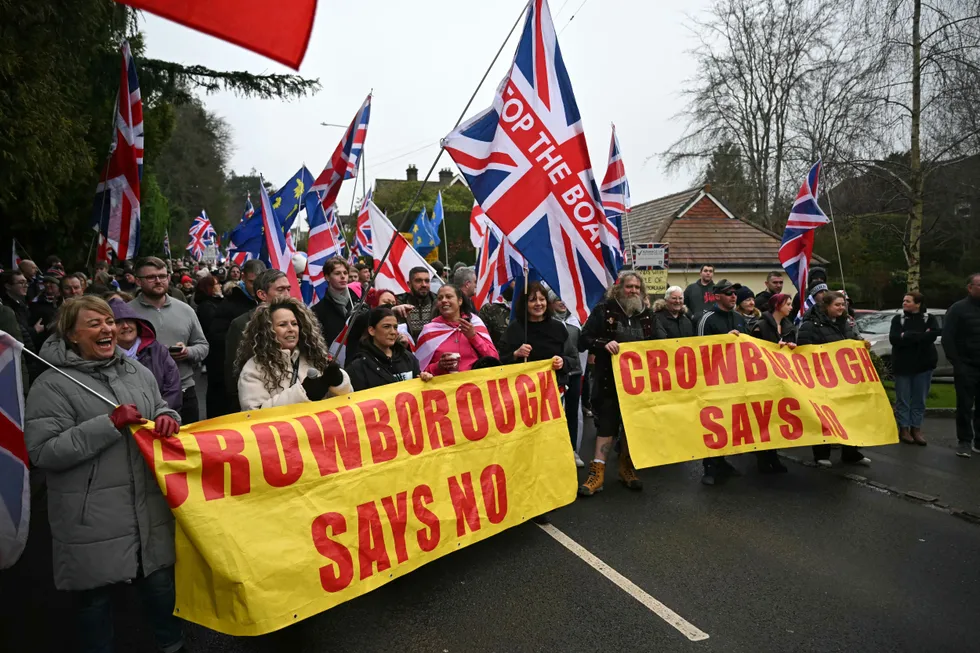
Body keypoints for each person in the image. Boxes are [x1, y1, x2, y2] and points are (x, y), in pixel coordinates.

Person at [24, 295, 183, 653]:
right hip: (90, 517)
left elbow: (159, 405)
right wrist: (108, 425)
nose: (107, 328)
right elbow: (43, 452)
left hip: (146, 507)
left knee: (160, 588)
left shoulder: (135, 370)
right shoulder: (51, 386)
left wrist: (168, 416)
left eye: (108, 321)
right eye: (94, 323)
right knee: (94, 603)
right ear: (71, 335)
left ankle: (172, 646)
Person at [578, 272, 661, 496]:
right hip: (608, 381)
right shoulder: (603, 311)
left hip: (639, 385)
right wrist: (604, 343)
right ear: (619, 289)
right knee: (606, 426)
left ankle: (627, 468)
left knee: (632, 428)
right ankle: (597, 473)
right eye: (629, 287)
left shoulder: (647, 315)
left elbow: (662, 343)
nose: (633, 290)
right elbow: (583, 339)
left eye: (637, 287)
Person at [128, 257, 209, 425]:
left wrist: (188, 352)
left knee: (189, 448)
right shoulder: (128, 313)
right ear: (138, 281)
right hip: (142, 393)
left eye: (163, 276)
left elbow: (203, 346)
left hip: (185, 389)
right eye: (151, 277)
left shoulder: (185, 309)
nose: (158, 281)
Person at [798, 291, 872, 467]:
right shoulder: (810, 325)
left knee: (850, 415)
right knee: (825, 416)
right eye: (837, 305)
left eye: (843, 304)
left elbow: (852, 340)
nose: (841, 308)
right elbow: (803, 351)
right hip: (823, 379)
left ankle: (851, 452)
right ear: (826, 306)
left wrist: (862, 345)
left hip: (845, 378)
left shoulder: (845, 323)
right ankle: (822, 454)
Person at [237, 298, 352, 410]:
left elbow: (346, 403)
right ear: (266, 330)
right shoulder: (253, 369)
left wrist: (339, 382)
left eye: (294, 323)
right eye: (282, 325)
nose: (291, 329)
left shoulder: (314, 357)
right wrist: (304, 393)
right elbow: (254, 414)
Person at [696, 279, 748, 485]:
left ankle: (723, 461)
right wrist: (723, 341)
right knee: (713, 423)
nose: (734, 296)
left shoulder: (738, 317)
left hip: (735, 379)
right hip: (713, 380)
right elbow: (699, 349)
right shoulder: (706, 318)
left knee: (730, 423)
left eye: (735, 293)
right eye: (728, 293)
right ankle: (709, 466)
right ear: (717, 296)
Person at [204, 259, 267, 418]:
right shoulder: (230, 304)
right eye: (253, 282)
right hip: (232, 375)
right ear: (243, 277)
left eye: (261, 282)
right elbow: (217, 338)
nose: (257, 287)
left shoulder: (266, 304)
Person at [224, 270, 294, 413]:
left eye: (288, 289)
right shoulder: (242, 324)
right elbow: (233, 370)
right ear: (262, 294)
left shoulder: (297, 320)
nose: (287, 294)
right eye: (280, 290)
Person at [748, 293, 797, 474]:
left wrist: (791, 347)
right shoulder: (760, 326)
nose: (791, 307)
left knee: (776, 418)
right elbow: (752, 352)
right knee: (763, 418)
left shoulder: (788, 326)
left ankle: (773, 456)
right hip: (763, 379)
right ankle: (762, 458)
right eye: (788, 304)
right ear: (778, 305)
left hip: (781, 378)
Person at [109, 299, 182, 411]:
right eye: (118, 322)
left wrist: (162, 414)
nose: (125, 326)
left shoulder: (158, 350)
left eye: (130, 320)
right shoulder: (104, 356)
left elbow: (173, 388)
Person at [890, 291, 939, 446]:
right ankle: (903, 428)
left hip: (924, 365)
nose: (904, 303)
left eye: (908, 301)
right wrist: (918, 336)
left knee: (919, 399)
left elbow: (932, 336)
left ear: (917, 304)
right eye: (904, 301)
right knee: (903, 399)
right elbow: (894, 339)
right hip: (903, 365)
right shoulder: (898, 319)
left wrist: (908, 336)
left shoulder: (929, 319)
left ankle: (915, 428)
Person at [416, 284, 498, 375]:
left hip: (475, 385)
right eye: (440, 298)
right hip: (443, 387)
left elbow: (494, 359)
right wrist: (438, 366)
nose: (443, 300)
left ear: (460, 301)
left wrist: (473, 337)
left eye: (449, 297)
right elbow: (419, 371)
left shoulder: (474, 324)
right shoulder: (429, 331)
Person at [347, 306, 433, 391]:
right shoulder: (358, 367)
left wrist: (424, 379)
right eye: (386, 326)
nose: (393, 332)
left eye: (395, 327)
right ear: (372, 330)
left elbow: (418, 392)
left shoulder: (408, 358)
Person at [500, 281, 571, 381]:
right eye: (532, 300)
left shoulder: (558, 327)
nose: (538, 304)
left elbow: (573, 358)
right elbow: (501, 359)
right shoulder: (515, 328)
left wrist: (563, 362)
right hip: (522, 390)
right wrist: (515, 354)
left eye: (542, 299)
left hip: (554, 389)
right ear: (525, 303)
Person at [942, 273, 980, 457]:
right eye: (979, 285)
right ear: (969, 287)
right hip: (966, 366)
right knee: (965, 405)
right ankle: (964, 441)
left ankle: (979, 442)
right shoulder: (958, 309)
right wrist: (957, 363)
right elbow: (948, 338)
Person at [551, 292, 586, 467]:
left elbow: (582, 346)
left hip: (574, 373)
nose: (562, 302)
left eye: (565, 299)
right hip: (555, 374)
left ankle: (572, 449)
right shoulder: (548, 323)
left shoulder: (576, 321)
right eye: (558, 299)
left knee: (572, 412)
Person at [313, 257, 358, 346]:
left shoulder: (359, 302)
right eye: (337, 273)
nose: (343, 276)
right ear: (327, 277)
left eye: (345, 273)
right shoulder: (317, 310)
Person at [1, 269, 38, 352]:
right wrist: (34, 330)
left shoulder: (21, 303)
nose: (26, 286)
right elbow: (16, 333)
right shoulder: (6, 309)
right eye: (21, 283)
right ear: (8, 286)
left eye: (26, 282)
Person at [398, 267, 438, 341]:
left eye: (427, 281)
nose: (424, 285)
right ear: (409, 284)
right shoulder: (399, 303)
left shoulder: (438, 303)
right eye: (418, 281)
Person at [30, 275, 62, 349]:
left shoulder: (65, 302)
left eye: (51, 282)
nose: (47, 285)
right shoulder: (36, 302)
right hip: (43, 343)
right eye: (46, 282)